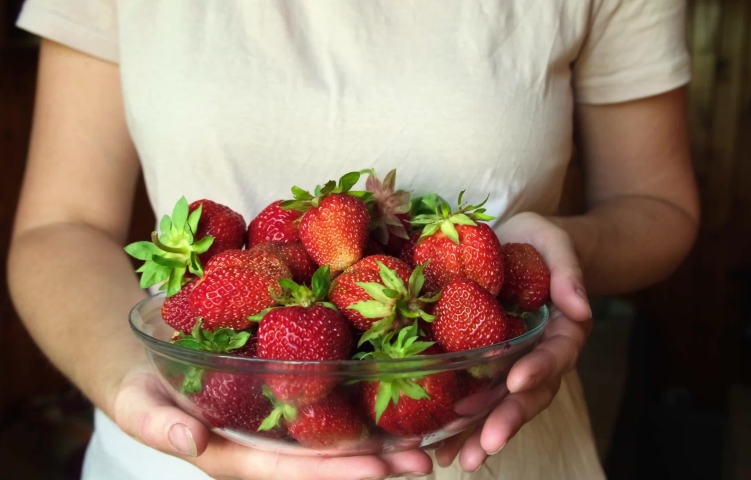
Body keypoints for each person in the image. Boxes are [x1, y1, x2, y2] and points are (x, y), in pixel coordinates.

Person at [8, 1, 699, 479]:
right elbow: (60, 225)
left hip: (485, 435)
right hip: (188, 438)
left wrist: (555, 252)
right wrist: (132, 382)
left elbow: (658, 204)